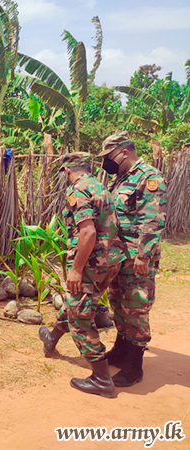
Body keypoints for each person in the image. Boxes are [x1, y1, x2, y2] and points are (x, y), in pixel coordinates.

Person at [38, 153, 126, 397]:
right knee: (76, 303)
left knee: (80, 315)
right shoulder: (101, 186)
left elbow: (87, 233)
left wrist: (76, 269)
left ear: (67, 170)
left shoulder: (77, 190)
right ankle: (51, 338)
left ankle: (101, 378)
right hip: (110, 261)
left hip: (90, 263)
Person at [98, 131, 168, 387]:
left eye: (110, 156)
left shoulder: (149, 177)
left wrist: (143, 254)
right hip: (119, 255)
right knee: (118, 301)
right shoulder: (121, 179)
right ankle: (120, 348)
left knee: (136, 306)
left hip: (137, 256)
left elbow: (153, 219)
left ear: (124, 152)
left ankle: (134, 364)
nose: (107, 161)